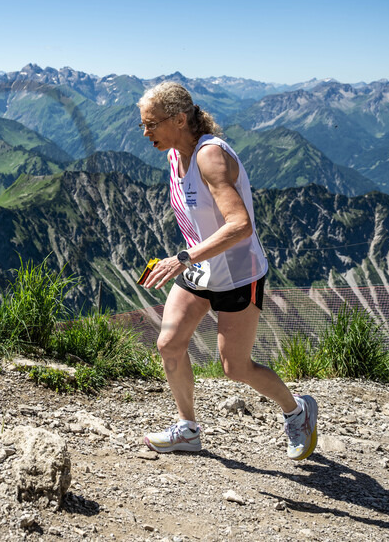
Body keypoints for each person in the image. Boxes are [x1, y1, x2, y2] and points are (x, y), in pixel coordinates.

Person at [136, 81, 317, 460]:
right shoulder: (173, 156)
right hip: (199, 269)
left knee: (235, 367)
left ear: (180, 119)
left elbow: (240, 225)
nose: (145, 132)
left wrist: (181, 258)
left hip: (238, 272)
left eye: (151, 124)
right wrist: (186, 257)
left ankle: (297, 410)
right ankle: (187, 429)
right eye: (143, 125)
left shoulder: (209, 157)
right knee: (169, 344)